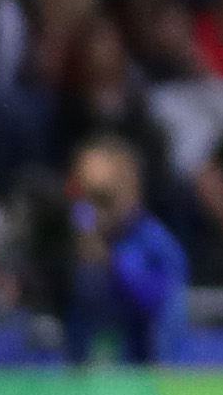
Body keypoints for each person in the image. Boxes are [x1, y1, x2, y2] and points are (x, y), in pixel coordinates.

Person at [61, 136, 186, 364]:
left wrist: (109, 262)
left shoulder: (155, 243)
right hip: (78, 377)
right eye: (83, 197)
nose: (92, 210)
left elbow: (157, 300)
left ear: (132, 190)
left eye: (103, 199)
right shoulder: (67, 240)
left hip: (143, 374)